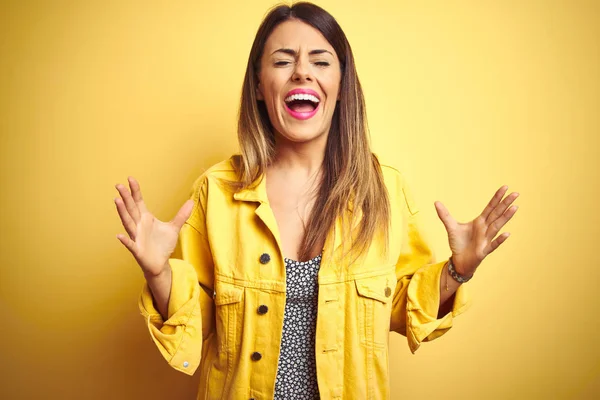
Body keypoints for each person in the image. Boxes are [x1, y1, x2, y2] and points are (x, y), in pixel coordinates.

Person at [114, 2, 519, 399]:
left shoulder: (383, 191)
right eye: (283, 60)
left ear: (341, 86)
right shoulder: (217, 192)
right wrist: (158, 274)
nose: (302, 72)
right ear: (258, 85)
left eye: (321, 61)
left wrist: (458, 271)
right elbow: (197, 323)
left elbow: (399, 309)